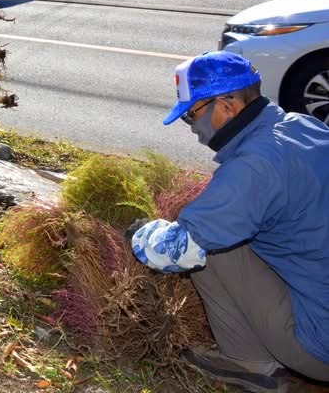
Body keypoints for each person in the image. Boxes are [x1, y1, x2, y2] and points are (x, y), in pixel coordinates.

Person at [129, 51, 329, 393]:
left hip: (320, 346)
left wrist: (140, 234)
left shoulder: (254, 166)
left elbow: (176, 251)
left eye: (191, 115)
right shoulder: (305, 127)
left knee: (212, 244)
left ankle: (251, 365)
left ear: (227, 105)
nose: (192, 129)